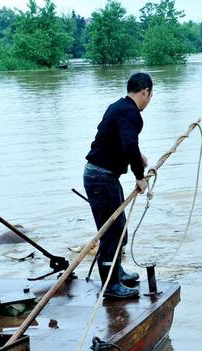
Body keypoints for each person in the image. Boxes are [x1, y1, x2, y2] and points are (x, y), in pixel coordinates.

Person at [83, 72, 153, 299]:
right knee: (111, 232)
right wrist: (140, 177)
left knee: (120, 228)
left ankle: (118, 271)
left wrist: (139, 155)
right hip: (100, 178)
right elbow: (129, 142)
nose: (148, 100)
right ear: (145, 92)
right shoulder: (131, 113)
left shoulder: (118, 107)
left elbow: (118, 140)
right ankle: (111, 286)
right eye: (150, 96)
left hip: (104, 177)